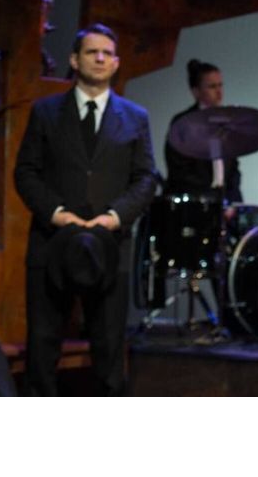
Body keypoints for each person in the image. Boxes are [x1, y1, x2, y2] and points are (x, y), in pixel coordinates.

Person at [14, 23, 155, 395]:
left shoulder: (136, 117)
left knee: (109, 351)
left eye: (107, 53)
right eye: (92, 52)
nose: (100, 59)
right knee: (43, 349)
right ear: (75, 60)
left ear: (116, 63)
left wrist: (114, 216)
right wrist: (57, 213)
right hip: (52, 242)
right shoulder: (45, 112)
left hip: (110, 245)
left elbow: (145, 178)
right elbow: (25, 172)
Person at [164, 59, 242, 203]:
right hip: (193, 202)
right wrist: (208, 197)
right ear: (196, 92)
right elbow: (179, 171)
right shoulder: (183, 122)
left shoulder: (226, 120)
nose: (219, 92)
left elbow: (233, 167)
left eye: (220, 85)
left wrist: (233, 200)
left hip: (223, 201)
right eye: (212, 86)